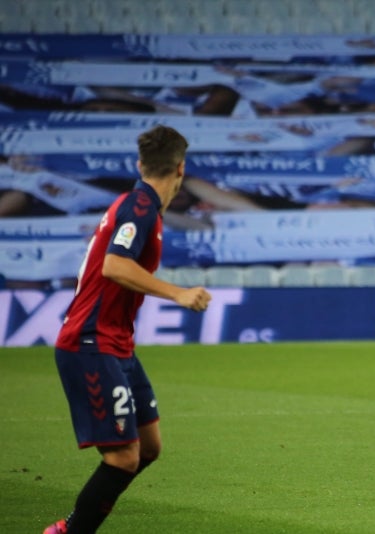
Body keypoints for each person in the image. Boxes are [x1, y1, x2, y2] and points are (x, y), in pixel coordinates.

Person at [45, 125, 212, 534]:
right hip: (90, 341)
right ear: (181, 168)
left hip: (117, 343)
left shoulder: (139, 205)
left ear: (140, 164)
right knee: (123, 457)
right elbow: (114, 265)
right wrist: (178, 293)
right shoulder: (139, 207)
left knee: (148, 448)